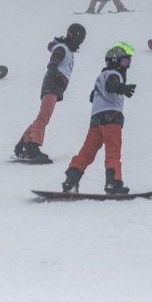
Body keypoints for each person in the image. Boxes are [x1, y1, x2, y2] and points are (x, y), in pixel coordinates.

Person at [61, 42, 137, 195]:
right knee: (113, 150)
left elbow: (92, 96)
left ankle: (71, 179)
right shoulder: (114, 75)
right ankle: (113, 183)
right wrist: (122, 88)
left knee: (87, 151)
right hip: (112, 117)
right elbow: (111, 86)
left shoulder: (100, 76)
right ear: (115, 61)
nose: (126, 66)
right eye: (124, 61)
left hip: (96, 119)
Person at [14, 23, 87, 162]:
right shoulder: (62, 48)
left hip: (55, 85)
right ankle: (32, 147)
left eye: (81, 40)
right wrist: (57, 77)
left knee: (43, 117)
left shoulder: (67, 49)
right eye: (78, 39)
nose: (79, 42)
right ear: (71, 36)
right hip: (52, 83)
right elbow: (53, 63)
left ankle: (23, 144)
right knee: (43, 117)